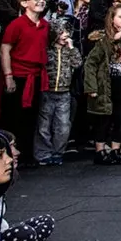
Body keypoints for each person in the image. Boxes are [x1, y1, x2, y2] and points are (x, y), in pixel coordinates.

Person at [82, 3, 121, 165]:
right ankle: (100, 151)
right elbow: (91, 63)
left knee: (120, 118)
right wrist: (91, 87)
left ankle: (115, 150)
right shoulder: (102, 38)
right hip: (106, 83)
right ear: (112, 19)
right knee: (103, 119)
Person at [0, 0, 50, 160]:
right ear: (24, 3)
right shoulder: (17, 24)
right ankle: (10, 153)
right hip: (18, 74)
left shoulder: (44, 25)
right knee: (14, 117)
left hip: (36, 76)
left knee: (32, 117)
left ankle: (28, 154)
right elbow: (5, 49)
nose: (41, 1)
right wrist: (8, 76)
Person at [34, 22, 79, 166]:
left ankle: (58, 152)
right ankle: (43, 154)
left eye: (67, 31)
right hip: (48, 91)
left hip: (64, 92)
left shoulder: (69, 50)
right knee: (44, 125)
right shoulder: (47, 50)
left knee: (63, 125)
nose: (65, 35)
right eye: (61, 32)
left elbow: (77, 63)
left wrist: (71, 48)